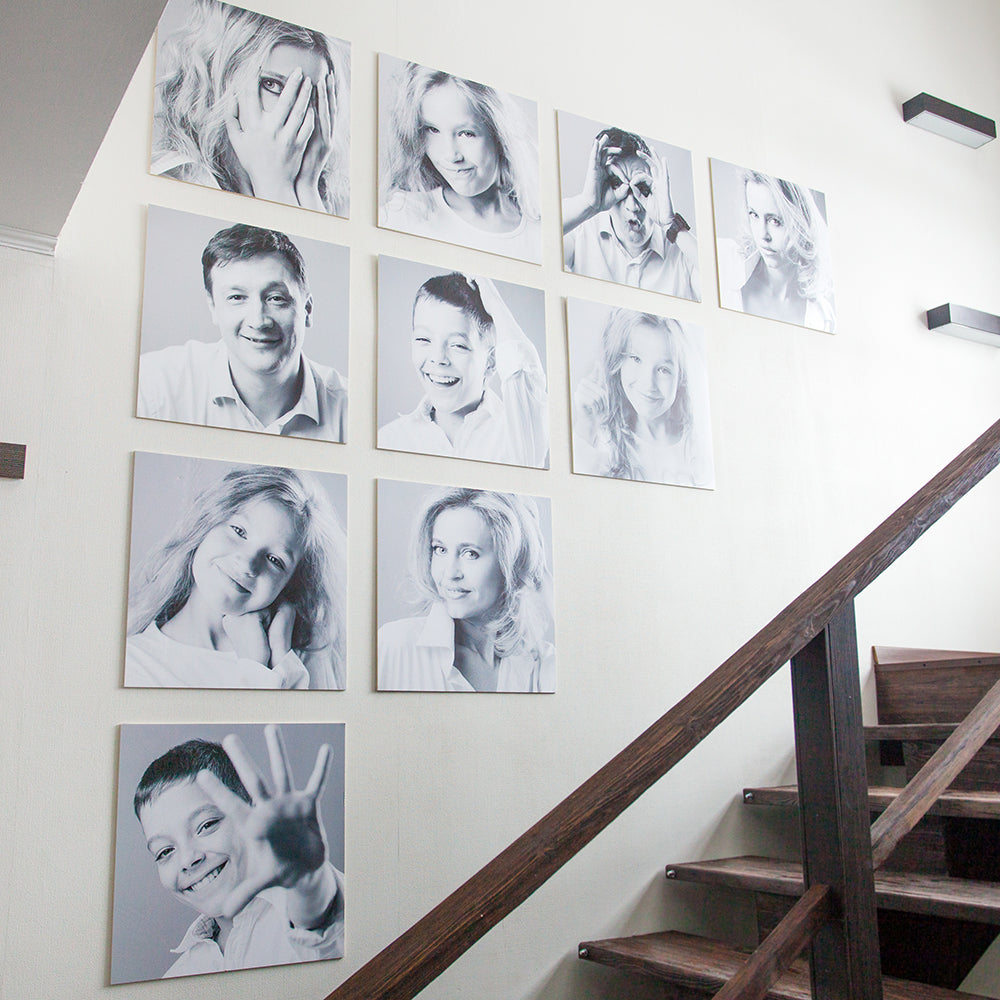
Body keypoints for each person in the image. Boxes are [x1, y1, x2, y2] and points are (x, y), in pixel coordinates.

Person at [133, 726, 344, 977]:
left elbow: (325, 930)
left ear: (252, 813)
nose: (189, 859)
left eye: (206, 826)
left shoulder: (309, 914)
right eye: (164, 851)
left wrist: (310, 888)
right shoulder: (180, 975)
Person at [126, 464, 346, 689]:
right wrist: (256, 667)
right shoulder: (134, 662)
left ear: (289, 585)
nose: (247, 564)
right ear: (205, 524)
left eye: (275, 560)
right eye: (239, 531)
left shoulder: (303, 662)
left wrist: (278, 656)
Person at [137, 223, 348, 441]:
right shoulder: (153, 386)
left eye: (276, 298)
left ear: (307, 309)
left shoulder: (350, 409)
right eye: (237, 298)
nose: (259, 321)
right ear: (213, 308)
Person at [151, 0, 350, 216]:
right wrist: (275, 182)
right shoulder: (174, 183)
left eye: (310, 94)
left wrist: (306, 186)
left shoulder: (332, 200)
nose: (297, 111)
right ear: (221, 83)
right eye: (272, 85)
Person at [378, 488, 555, 692]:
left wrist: (537, 578)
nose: (450, 573)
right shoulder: (394, 645)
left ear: (512, 562)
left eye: (470, 553)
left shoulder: (540, 662)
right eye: (440, 550)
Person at [378, 273, 549, 468]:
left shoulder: (517, 435)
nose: (438, 358)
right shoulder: (390, 440)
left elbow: (523, 373)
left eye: (458, 345)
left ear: (491, 361)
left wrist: (496, 305)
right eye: (423, 340)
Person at [379, 60, 541, 263]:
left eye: (467, 133)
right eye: (433, 130)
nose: (451, 156)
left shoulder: (539, 228)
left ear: (499, 136)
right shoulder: (402, 213)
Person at [572, 307, 713, 488]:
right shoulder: (603, 441)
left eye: (664, 370)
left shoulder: (697, 448)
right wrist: (586, 425)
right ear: (618, 361)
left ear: (681, 378)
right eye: (636, 359)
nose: (648, 384)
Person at [562, 127, 700, 300]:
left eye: (642, 188)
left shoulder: (681, 250)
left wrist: (671, 224)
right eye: (616, 186)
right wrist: (588, 203)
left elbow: (725, 285)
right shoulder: (581, 235)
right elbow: (531, 240)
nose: (632, 206)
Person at [717, 167, 835, 332]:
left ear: (800, 222)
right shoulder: (728, 273)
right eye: (754, 215)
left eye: (775, 221)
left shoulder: (822, 315)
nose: (763, 235)